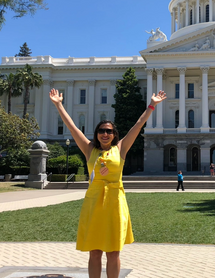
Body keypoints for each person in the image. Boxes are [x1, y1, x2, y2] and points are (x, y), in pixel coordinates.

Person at [50, 88, 167, 278]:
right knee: (94, 251)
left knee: (114, 252)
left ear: (114, 135)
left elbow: (138, 126)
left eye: (109, 131)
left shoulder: (120, 149)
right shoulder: (89, 150)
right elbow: (72, 127)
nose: (105, 134)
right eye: (102, 131)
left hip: (115, 203)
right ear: (97, 134)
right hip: (94, 203)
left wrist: (152, 105)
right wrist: (58, 104)